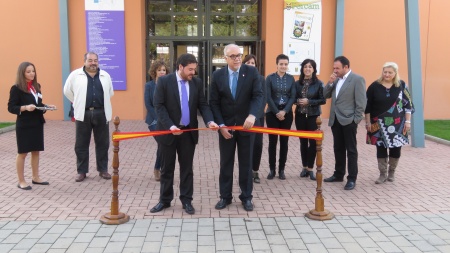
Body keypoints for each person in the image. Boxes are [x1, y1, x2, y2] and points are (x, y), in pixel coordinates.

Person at [150, 53, 218, 215]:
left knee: (187, 169)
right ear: (180, 67)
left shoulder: (196, 83)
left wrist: (210, 121)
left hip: (188, 133)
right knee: (167, 168)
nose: (193, 73)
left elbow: (203, 105)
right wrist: (170, 126)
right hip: (169, 132)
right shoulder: (165, 82)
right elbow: (158, 106)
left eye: (194, 69)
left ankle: (186, 200)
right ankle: (165, 200)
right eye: (190, 69)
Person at [209, 44, 263, 212]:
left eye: (239, 55)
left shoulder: (252, 72)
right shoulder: (217, 75)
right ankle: (225, 197)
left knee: (246, 163)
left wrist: (252, 115)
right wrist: (221, 126)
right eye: (233, 56)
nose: (237, 58)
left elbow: (258, 96)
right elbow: (214, 103)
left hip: (246, 126)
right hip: (226, 128)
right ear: (225, 58)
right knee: (226, 163)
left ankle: (246, 197)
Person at [63, 52, 114, 182]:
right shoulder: (75, 75)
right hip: (83, 113)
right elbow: (67, 91)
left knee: (103, 143)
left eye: (95, 60)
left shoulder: (105, 76)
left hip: (101, 113)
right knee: (81, 144)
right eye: (90, 60)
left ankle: (103, 170)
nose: (93, 63)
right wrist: (77, 101)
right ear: (85, 61)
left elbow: (110, 92)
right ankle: (81, 171)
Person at [7, 62, 56, 190]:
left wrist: (46, 107)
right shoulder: (16, 88)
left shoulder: (36, 86)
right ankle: (21, 180)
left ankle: (35, 177)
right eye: (28, 71)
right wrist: (24, 108)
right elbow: (11, 107)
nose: (31, 74)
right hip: (24, 125)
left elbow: (38, 103)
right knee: (22, 153)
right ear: (22, 73)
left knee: (36, 151)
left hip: (37, 123)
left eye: (33, 71)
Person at [365, 62, 413, 184]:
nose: (387, 74)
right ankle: (382, 174)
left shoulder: (401, 85)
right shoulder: (374, 86)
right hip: (378, 124)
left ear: (395, 73)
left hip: (398, 124)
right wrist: (367, 122)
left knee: (396, 149)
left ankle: (392, 172)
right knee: (380, 149)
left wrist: (408, 122)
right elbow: (367, 106)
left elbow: (408, 105)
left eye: (390, 72)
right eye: (385, 72)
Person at [323, 56, 366, 190]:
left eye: (337, 68)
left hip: (349, 120)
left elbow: (361, 102)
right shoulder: (335, 80)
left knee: (351, 150)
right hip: (335, 120)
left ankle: (352, 178)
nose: (335, 70)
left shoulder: (357, 79)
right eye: (334, 68)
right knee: (338, 148)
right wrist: (330, 83)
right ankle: (338, 174)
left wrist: (356, 120)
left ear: (346, 67)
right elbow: (325, 95)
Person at [265, 54, 296, 180]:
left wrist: (285, 111)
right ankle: (272, 169)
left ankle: (281, 169)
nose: (283, 66)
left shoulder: (291, 79)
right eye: (281, 64)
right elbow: (268, 96)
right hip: (272, 113)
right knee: (273, 142)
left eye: (285, 64)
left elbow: (293, 96)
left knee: (284, 142)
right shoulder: (270, 78)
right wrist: (277, 111)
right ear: (277, 64)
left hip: (287, 114)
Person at [294, 59, 325, 180]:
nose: (307, 69)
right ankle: (304, 167)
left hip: (313, 116)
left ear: (314, 69)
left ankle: (311, 168)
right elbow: (293, 97)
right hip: (300, 116)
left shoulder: (319, 83)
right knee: (303, 142)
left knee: (312, 143)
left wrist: (309, 102)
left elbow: (323, 100)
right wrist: (298, 101)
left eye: (310, 67)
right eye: (305, 67)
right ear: (302, 69)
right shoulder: (297, 83)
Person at [144, 60, 170, 182]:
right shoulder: (149, 86)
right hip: (154, 120)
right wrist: (158, 117)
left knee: (164, 144)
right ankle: (157, 168)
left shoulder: (169, 85)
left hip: (167, 120)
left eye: (164, 70)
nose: (162, 72)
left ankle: (161, 168)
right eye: (159, 70)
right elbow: (148, 104)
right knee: (161, 142)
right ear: (154, 72)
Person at [242, 54, 266, 183]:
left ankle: (255, 171)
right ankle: (246, 171)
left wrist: (255, 114)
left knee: (257, 145)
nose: (250, 65)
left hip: (257, 118)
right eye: (248, 63)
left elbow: (263, 98)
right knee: (246, 146)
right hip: (243, 118)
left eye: (253, 63)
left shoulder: (261, 79)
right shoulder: (240, 78)